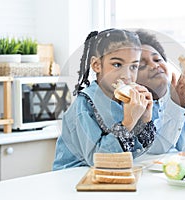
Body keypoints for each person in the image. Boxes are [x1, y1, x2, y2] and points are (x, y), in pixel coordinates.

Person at [53, 29, 156, 170]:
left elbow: (134, 152)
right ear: (96, 65)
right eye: (117, 65)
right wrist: (127, 124)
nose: (127, 75)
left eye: (133, 67)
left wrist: (144, 120)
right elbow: (98, 160)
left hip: (110, 175)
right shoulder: (84, 105)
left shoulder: (125, 102)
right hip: (74, 178)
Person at [135, 29, 185, 154]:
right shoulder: (133, 105)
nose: (154, 66)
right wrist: (177, 105)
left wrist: (184, 101)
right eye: (142, 65)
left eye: (157, 60)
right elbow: (155, 149)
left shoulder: (176, 94)